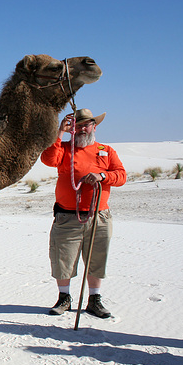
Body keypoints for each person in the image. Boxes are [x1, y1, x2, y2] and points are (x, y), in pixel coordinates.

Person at [41, 108, 127, 318]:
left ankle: (94, 300)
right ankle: (64, 299)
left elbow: (121, 176)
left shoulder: (105, 150)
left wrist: (102, 176)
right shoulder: (63, 148)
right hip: (67, 216)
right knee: (63, 259)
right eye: (77, 125)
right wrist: (59, 132)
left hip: (99, 217)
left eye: (86, 125)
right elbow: (48, 159)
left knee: (96, 258)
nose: (81, 129)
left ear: (94, 127)